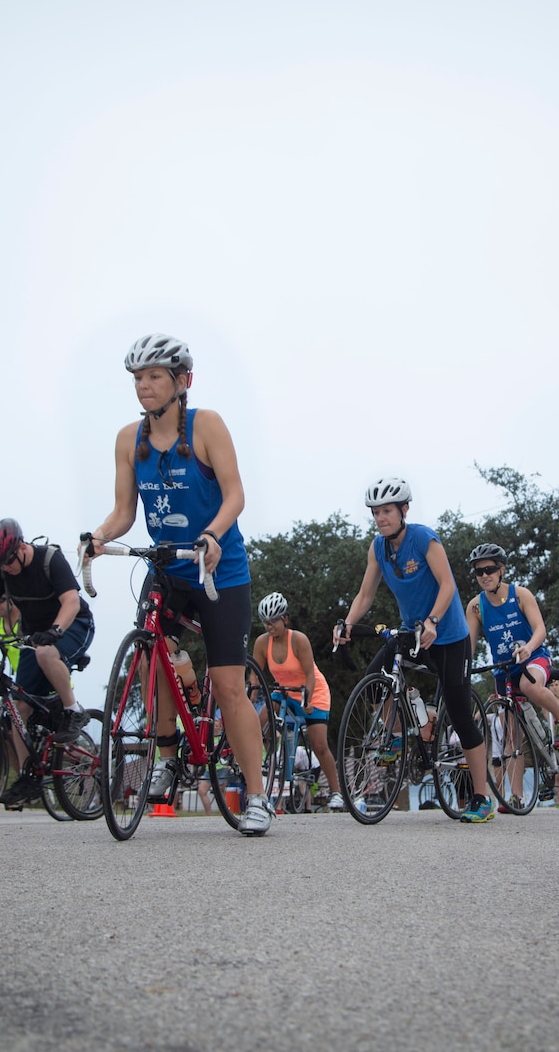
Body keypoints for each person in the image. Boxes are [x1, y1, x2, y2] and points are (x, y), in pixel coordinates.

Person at [85, 335, 270, 835]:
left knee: (230, 686)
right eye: (138, 379)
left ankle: (257, 795)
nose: (144, 387)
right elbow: (126, 512)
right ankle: (166, 755)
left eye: (154, 377)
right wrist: (99, 536)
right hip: (167, 567)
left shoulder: (205, 425)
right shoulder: (129, 439)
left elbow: (235, 495)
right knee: (150, 652)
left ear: (182, 381)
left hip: (218, 569)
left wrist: (212, 534)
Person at [334, 477, 496, 823]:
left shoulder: (423, 538)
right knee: (375, 678)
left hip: (448, 636)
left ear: (404, 510)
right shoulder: (378, 548)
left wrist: (434, 620)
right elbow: (365, 594)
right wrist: (346, 622)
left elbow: (448, 584)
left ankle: (482, 799)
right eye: (376, 512)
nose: (381, 518)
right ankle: (396, 739)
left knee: (461, 713)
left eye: (387, 511)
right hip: (412, 632)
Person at [0, 519, 94, 806]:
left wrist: (56, 630)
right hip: (34, 635)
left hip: (73, 625)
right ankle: (28, 775)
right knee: (18, 709)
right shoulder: (2, 573)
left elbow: (71, 601)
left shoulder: (49, 560)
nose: (5, 568)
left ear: (21, 547)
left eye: (7, 561)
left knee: (46, 652)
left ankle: (73, 710)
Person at [464, 542, 559, 747]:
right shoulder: (475, 606)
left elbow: (540, 629)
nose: (484, 576)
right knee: (511, 739)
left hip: (534, 658)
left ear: (501, 570)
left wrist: (528, 647)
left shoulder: (520, 594)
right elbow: (468, 646)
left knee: (528, 685)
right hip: (504, 671)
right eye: (479, 572)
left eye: (490, 570)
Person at [252, 591, 345, 813]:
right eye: (265, 622)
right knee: (258, 721)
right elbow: (255, 673)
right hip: (285, 690)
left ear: (285, 619)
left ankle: (336, 793)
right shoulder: (262, 643)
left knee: (320, 745)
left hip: (312, 691)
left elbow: (310, 675)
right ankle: (273, 756)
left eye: (273, 621)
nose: (269, 626)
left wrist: (308, 700)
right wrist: (251, 696)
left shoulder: (299, 640)